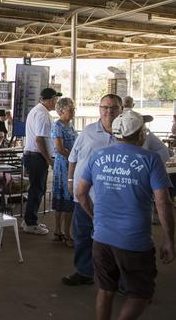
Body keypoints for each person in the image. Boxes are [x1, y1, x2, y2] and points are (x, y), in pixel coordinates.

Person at [76, 109, 174, 320]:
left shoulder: (98, 156)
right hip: (134, 240)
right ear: (139, 134)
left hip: (101, 238)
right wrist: (168, 239)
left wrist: (95, 218)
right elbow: (163, 203)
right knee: (141, 293)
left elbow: (80, 192)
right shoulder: (151, 159)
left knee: (105, 289)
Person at [62, 94, 122, 286]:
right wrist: (71, 180)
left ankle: (117, 278)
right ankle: (84, 271)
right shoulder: (88, 132)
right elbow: (73, 157)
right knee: (82, 234)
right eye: (105, 107)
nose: (109, 112)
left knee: (115, 239)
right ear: (99, 109)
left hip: (114, 198)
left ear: (121, 110)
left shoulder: (128, 134)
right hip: (85, 195)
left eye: (114, 108)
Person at [22, 88, 61, 235]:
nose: (56, 103)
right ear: (51, 100)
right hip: (36, 156)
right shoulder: (42, 115)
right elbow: (39, 140)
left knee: (37, 188)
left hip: (33, 155)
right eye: (56, 100)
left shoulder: (37, 111)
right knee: (37, 189)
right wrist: (48, 159)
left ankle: (28, 220)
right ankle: (31, 223)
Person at [51, 97, 77, 247]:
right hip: (64, 165)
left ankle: (62, 231)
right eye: (70, 109)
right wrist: (74, 157)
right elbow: (59, 149)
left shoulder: (70, 125)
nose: (73, 112)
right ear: (61, 111)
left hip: (70, 163)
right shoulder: (58, 126)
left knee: (66, 198)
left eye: (73, 109)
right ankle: (64, 233)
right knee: (65, 197)